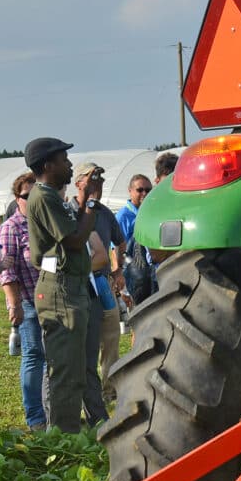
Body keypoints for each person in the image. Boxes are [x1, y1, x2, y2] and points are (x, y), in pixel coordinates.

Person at [22, 137, 94, 434]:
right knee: (64, 370)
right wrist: (89, 203)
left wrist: (83, 201)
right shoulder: (43, 197)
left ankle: (67, 432)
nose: (69, 165)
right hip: (60, 289)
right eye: (64, 160)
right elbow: (75, 240)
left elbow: (73, 230)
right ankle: (63, 437)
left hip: (69, 287)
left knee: (74, 368)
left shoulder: (52, 195)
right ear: (48, 165)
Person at [0, 170, 45, 429]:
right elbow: (7, 271)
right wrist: (14, 305)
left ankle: (50, 409)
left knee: (51, 358)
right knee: (34, 356)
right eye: (27, 195)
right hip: (27, 302)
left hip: (50, 301)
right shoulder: (9, 228)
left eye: (37, 193)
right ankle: (36, 417)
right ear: (17, 198)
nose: (32, 198)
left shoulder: (44, 222)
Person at [75, 164, 127, 418]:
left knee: (111, 337)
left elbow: (121, 241)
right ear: (78, 184)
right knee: (88, 344)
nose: (98, 186)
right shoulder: (70, 211)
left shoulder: (105, 213)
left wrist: (118, 270)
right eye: (92, 181)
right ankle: (89, 395)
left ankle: (109, 389)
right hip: (80, 283)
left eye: (100, 182)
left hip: (103, 283)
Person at [119, 172, 159, 305]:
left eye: (148, 190)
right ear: (130, 191)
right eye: (139, 190)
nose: (144, 193)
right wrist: (124, 288)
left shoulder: (152, 212)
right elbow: (118, 250)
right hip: (134, 276)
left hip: (151, 274)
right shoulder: (123, 217)